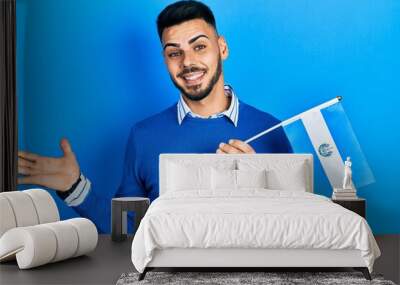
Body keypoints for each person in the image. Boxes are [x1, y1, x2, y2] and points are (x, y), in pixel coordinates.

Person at [18, 0, 293, 232]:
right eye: (175, 53)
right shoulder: (144, 136)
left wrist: (258, 189)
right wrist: (75, 188)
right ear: (165, 60)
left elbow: (297, 225)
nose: (187, 62)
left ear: (222, 48)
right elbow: (127, 230)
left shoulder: (270, 130)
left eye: (199, 47)